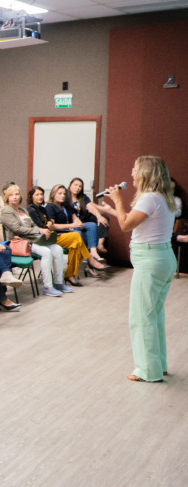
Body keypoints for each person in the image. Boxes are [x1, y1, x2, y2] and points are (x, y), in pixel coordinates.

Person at [98, 156, 178, 383]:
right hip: (163, 258)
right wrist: (110, 208)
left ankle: (147, 370)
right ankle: (158, 365)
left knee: (141, 318)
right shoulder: (161, 197)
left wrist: (117, 200)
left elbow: (125, 225)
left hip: (151, 261)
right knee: (154, 315)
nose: (132, 172)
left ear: (146, 173)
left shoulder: (149, 198)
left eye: (135, 169)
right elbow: (134, 219)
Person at [0, 184, 71, 297]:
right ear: (7, 197)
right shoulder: (6, 211)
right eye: (11, 195)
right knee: (46, 252)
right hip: (19, 243)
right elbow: (17, 229)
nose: (14, 197)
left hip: (31, 239)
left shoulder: (22, 210)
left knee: (57, 249)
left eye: (17, 194)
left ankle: (58, 283)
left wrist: (42, 230)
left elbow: (32, 225)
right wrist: (39, 230)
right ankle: (48, 287)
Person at [28, 186, 107, 283]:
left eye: (41, 194)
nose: (40, 197)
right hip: (48, 238)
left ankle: (70, 275)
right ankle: (90, 260)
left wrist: (76, 223)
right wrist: (51, 225)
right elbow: (44, 225)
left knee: (76, 244)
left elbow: (49, 223)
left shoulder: (43, 208)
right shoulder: (38, 208)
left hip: (56, 235)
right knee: (76, 237)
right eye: (37, 195)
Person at [46, 184, 105, 263]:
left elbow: (75, 218)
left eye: (64, 194)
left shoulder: (66, 205)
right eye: (60, 194)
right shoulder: (50, 207)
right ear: (53, 195)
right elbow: (52, 226)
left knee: (91, 225)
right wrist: (72, 225)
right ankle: (85, 257)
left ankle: (93, 251)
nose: (63, 196)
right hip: (61, 233)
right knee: (78, 233)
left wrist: (79, 224)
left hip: (71, 229)